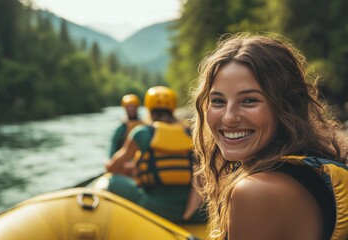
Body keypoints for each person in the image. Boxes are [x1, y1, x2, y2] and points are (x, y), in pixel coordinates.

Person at [190, 32, 348, 240]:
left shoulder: (254, 191)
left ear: (285, 105)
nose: (229, 118)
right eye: (218, 101)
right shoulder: (312, 169)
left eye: (249, 101)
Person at [105, 86, 207, 223]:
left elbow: (111, 167)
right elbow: (201, 174)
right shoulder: (190, 132)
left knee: (113, 181)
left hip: (154, 207)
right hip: (192, 213)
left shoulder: (142, 133)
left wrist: (132, 168)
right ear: (173, 108)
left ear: (148, 107)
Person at [108, 94, 143, 158]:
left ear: (137, 107)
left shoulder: (144, 124)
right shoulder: (121, 128)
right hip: (126, 161)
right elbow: (113, 149)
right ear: (125, 108)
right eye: (128, 107)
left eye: (133, 106)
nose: (131, 109)